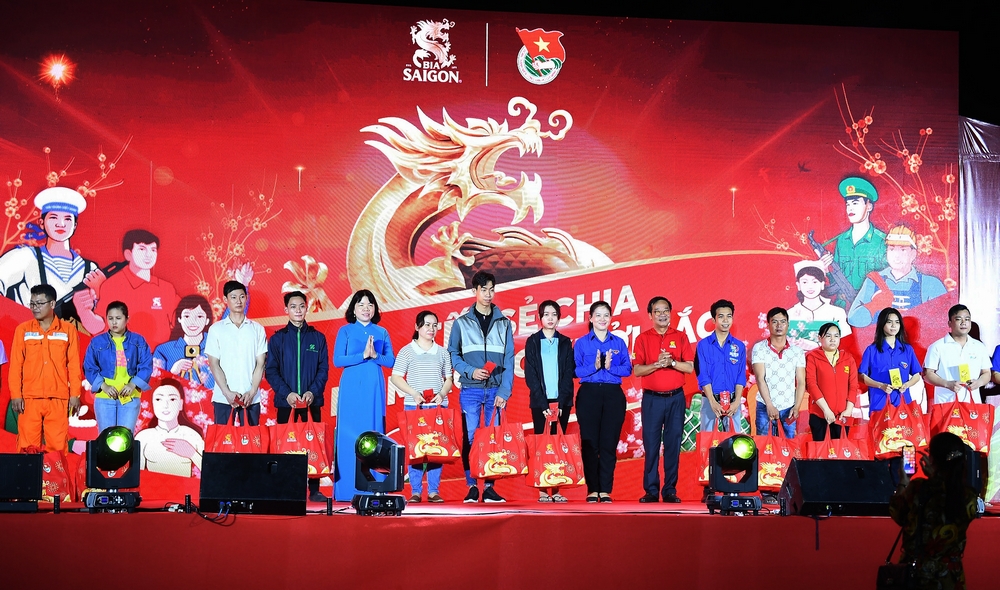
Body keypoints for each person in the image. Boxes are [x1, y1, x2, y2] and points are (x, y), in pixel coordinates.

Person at [448, 271, 515, 504]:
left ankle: (488, 488)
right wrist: (470, 371)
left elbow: (509, 359)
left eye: (491, 289)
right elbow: (453, 355)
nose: (488, 294)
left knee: (493, 439)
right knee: (470, 438)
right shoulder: (461, 323)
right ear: (474, 291)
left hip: (496, 390)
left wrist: (504, 392)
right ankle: (471, 487)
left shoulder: (504, 323)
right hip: (471, 390)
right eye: (483, 289)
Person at [889, 431, 979, 589]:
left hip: (917, 575)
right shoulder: (968, 496)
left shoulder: (918, 488)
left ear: (932, 460)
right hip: (950, 576)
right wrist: (936, 478)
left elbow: (897, 513)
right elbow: (947, 494)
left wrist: (903, 481)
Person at [265, 290, 330, 502]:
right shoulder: (278, 339)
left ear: (307, 307)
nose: (298, 310)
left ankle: (315, 489)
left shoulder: (318, 338)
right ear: (286, 310)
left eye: (301, 306)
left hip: (312, 401)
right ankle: (287, 487)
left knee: (313, 445)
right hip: (287, 403)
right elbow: (271, 371)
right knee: (286, 446)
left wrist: (312, 392)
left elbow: (323, 369)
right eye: (293, 306)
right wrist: (287, 394)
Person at [333, 289, 395, 502]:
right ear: (353, 309)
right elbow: (338, 360)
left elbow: (391, 361)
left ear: (375, 309)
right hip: (351, 387)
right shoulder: (345, 331)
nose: (366, 309)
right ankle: (346, 489)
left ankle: (374, 487)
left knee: (373, 433)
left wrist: (375, 355)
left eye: (370, 305)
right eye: (361, 305)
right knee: (348, 434)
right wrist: (363, 355)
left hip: (373, 386)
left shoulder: (382, 332)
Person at [0, 187, 99, 316]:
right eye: (53, 217)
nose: (61, 224)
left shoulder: (90, 269)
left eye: (68, 219)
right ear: (41, 223)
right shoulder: (25, 257)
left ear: (75, 225)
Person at [632, 296, 693, 504]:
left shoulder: (681, 337)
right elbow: (637, 370)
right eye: (657, 311)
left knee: (673, 445)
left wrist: (672, 362)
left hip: (676, 398)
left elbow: (689, 367)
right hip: (652, 400)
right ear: (650, 315)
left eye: (665, 310)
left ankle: (670, 490)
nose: (662, 314)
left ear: (670, 313)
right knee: (651, 445)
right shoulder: (642, 338)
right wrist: (657, 364)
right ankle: (651, 490)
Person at [8, 284, 83, 451]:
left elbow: (73, 365)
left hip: (58, 398)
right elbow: (16, 365)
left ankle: (54, 471)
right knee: (27, 447)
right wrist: (16, 395)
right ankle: (28, 470)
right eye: (32, 303)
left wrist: (75, 394)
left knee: (57, 449)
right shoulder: (23, 330)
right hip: (29, 399)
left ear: (52, 304)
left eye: (40, 303)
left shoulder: (68, 330)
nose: (35, 308)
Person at [390, 310, 453, 503]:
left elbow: (449, 379)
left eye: (435, 325)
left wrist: (442, 394)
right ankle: (416, 491)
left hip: (437, 407)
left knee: (436, 449)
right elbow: (396, 377)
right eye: (427, 325)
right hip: (414, 406)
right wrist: (413, 393)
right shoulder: (407, 351)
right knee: (415, 449)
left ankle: (433, 490)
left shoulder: (442, 352)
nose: (431, 329)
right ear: (417, 327)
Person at [574, 300, 632, 503]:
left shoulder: (618, 342)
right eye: (598, 315)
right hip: (588, 394)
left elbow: (627, 369)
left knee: (609, 443)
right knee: (590, 443)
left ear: (611, 318)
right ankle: (592, 489)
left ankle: (605, 489)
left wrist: (609, 368)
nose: (602, 319)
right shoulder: (581, 343)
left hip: (613, 395)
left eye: (606, 315)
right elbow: (575, 370)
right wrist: (594, 366)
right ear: (590, 318)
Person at [77, 229, 179, 343]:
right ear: (128, 254)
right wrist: (84, 312)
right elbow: (100, 327)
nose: (149, 255)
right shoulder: (112, 285)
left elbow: (181, 319)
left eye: (153, 250)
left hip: (159, 353)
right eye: (142, 249)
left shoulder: (166, 288)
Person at [523, 299, 575, 502]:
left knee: (559, 443)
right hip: (540, 403)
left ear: (559, 318)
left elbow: (568, 373)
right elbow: (531, 375)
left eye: (554, 314)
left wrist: (560, 402)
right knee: (542, 445)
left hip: (561, 403)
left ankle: (557, 490)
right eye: (546, 314)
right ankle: (543, 490)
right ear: (540, 317)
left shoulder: (565, 342)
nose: (550, 318)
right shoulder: (533, 341)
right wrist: (543, 404)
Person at [848, 225, 947, 328]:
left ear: (913, 254)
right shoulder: (873, 281)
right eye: (891, 249)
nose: (896, 256)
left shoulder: (930, 284)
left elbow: (944, 321)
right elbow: (853, 319)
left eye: (903, 250)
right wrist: (874, 305)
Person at [83, 301, 153, 433]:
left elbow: (146, 365)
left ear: (127, 319)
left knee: (125, 438)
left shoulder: (138, 341)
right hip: (105, 398)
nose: (114, 322)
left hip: (130, 397)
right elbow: (89, 367)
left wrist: (132, 384)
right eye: (110, 318)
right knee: (106, 439)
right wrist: (104, 386)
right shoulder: (97, 342)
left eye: (118, 318)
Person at [205, 280, 267, 427]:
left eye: (242, 296)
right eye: (233, 297)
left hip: (251, 398)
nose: (238, 301)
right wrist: (227, 393)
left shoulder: (257, 329)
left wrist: (252, 392)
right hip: (223, 398)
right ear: (225, 299)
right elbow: (214, 364)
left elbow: (261, 363)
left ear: (246, 298)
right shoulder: (216, 329)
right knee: (222, 440)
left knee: (251, 440)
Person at [817, 176, 888, 301]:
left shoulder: (882, 241)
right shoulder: (842, 240)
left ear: (869, 206)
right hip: (841, 305)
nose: (850, 208)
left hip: (869, 306)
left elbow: (887, 280)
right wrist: (827, 269)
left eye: (855, 203)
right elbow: (837, 280)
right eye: (848, 204)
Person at [752, 307, 806, 438]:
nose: (779, 325)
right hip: (765, 406)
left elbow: (801, 382)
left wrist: (796, 407)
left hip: (789, 408)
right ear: (768, 324)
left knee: (788, 447)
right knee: (764, 446)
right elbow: (760, 379)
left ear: (788, 324)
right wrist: (769, 405)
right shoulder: (759, 348)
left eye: (782, 321)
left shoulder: (797, 351)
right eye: (774, 321)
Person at [134, 378, 205, 477]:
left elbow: (212, 472)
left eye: (172, 399)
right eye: (158, 399)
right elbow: (136, 475)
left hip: (184, 486)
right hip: (152, 486)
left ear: (180, 404)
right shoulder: (143, 437)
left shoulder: (192, 435)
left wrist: (192, 453)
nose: (165, 405)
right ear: (152, 403)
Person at [924, 305, 993, 405]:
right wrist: (947, 384)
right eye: (958, 319)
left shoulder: (979, 346)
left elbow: (987, 373)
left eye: (967, 319)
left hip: (972, 404)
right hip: (946, 403)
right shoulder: (937, 346)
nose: (963, 322)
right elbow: (927, 374)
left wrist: (979, 383)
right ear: (949, 323)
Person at [695, 299, 747, 432]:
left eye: (729, 316)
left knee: (733, 441)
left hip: (732, 402)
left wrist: (736, 401)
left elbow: (741, 376)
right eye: (721, 316)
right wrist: (712, 401)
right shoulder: (703, 345)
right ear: (713, 320)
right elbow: (703, 375)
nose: (725, 320)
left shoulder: (739, 346)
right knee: (708, 441)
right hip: (710, 401)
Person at [859, 307, 923, 412]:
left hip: (903, 403)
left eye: (897, 322)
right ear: (882, 324)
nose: (894, 325)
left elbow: (916, 375)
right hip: (879, 404)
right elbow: (862, 376)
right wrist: (881, 386)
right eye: (889, 322)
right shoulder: (871, 350)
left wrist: (906, 385)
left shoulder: (907, 350)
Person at [805, 322, 858, 441]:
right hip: (819, 414)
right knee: (820, 451)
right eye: (828, 336)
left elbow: (853, 386)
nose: (833, 339)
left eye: (836, 336)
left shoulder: (848, 358)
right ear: (820, 338)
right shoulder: (812, 357)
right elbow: (811, 384)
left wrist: (848, 410)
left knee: (841, 450)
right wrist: (826, 410)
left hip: (842, 415)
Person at [153, 294, 215, 388]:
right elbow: (152, 383)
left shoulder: (217, 348)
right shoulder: (164, 350)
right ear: (179, 319)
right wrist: (172, 372)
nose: (193, 322)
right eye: (187, 316)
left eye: (199, 316)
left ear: (207, 320)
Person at [787, 261, 852, 351]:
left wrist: (816, 346)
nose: (810, 287)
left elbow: (846, 344)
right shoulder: (789, 314)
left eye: (814, 282)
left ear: (822, 284)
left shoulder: (836, 313)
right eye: (805, 282)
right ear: (798, 285)